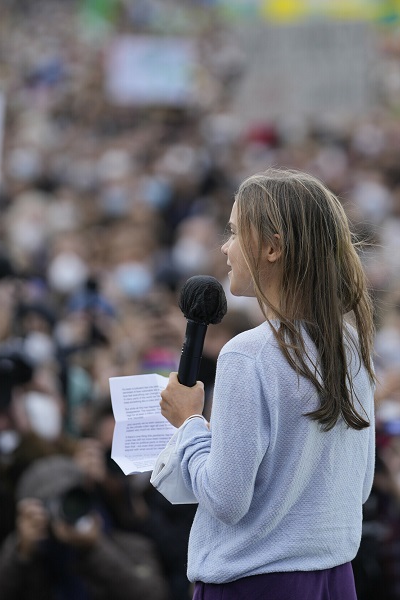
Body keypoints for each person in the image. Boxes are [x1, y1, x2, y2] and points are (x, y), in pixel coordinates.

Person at [159, 169, 376, 599]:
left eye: (236, 232)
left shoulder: (249, 353)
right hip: (334, 578)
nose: (225, 247)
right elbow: (360, 485)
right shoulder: (351, 343)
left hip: (256, 581)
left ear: (273, 248)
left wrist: (189, 425)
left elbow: (226, 499)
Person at [0, 455, 169, 600]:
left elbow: (153, 595)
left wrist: (95, 548)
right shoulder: (30, 560)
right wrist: (20, 553)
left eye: (72, 498)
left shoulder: (131, 546)